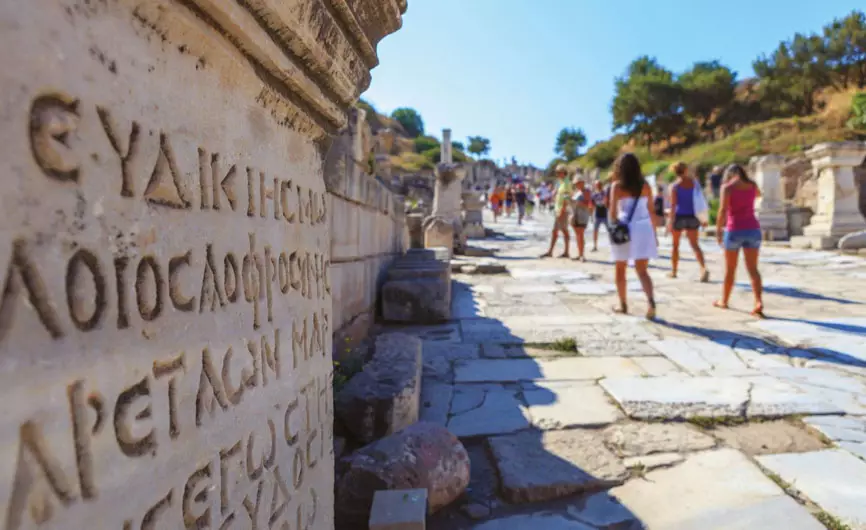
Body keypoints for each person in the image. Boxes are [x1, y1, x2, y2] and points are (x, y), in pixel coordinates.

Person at [608, 153, 659, 319]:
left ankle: (623, 304)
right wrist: (655, 234)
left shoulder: (617, 187)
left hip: (625, 229)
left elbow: (612, 214)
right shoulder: (645, 186)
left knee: (620, 269)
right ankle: (650, 301)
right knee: (642, 270)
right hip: (644, 228)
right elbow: (651, 211)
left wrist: (615, 225)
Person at [715, 164, 765, 317]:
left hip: (734, 229)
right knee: (753, 269)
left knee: (730, 269)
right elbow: (758, 195)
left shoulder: (727, 188)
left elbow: (723, 210)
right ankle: (758, 301)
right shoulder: (752, 185)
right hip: (753, 229)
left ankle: (724, 300)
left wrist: (718, 230)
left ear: (729, 174)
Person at [667, 162, 709, 282]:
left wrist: (670, 222)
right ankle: (703, 268)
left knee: (675, 245)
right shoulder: (694, 183)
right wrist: (703, 218)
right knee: (695, 245)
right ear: (685, 170)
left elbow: (673, 205)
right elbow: (700, 199)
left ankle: (674, 271)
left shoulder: (675, 186)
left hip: (679, 217)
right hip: (693, 217)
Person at [541, 165, 573, 258]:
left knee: (563, 230)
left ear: (563, 172)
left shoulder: (566, 183)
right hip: (558, 209)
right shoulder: (561, 182)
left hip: (562, 210)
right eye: (557, 172)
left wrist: (563, 209)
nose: (557, 174)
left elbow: (567, 197)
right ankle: (551, 251)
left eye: (559, 172)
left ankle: (565, 252)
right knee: (556, 231)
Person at [571, 177, 591, 261]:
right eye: (575, 183)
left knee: (581, 235)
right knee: (578, 235)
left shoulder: (586, 191)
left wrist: (578, 202)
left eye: (577, 183)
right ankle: (579, 254)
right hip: (575, 215)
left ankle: (582, 255)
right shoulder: (577, 192)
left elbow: (588, 204)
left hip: (582, 215)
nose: (576, 185)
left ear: (582, 182)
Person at [590, 180, 608, 252]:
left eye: (599, 185)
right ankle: (595, 246)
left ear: (601, 185)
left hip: (605, 215)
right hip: (597, 215)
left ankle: (613, 244)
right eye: (597, 185)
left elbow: (608, 202)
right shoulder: (594, 195)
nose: (598, 186)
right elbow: (592, 205)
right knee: (595, 231)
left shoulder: (605, 193)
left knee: (610, 230)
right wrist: (591, 215)